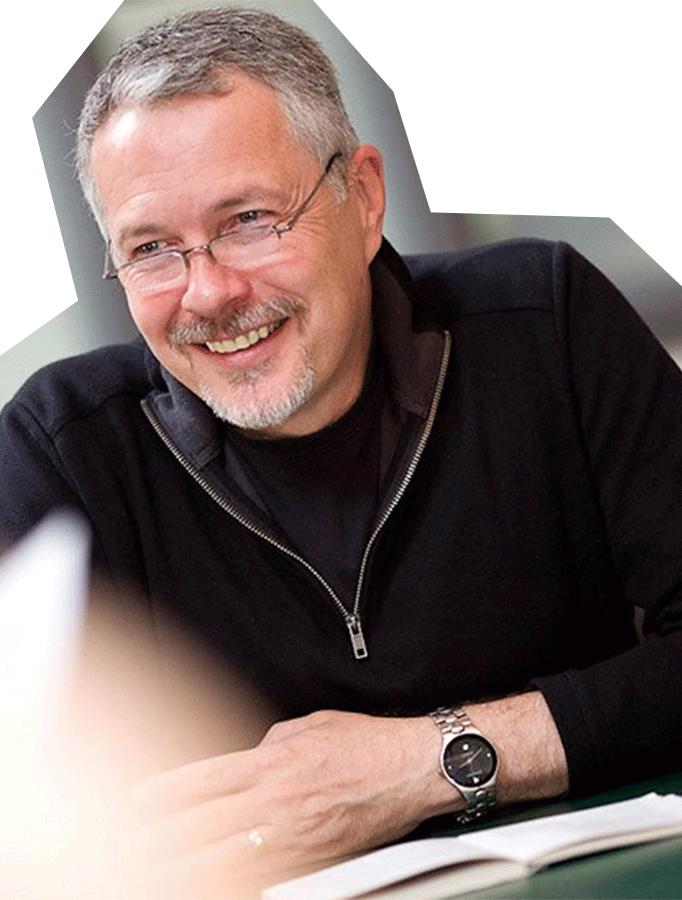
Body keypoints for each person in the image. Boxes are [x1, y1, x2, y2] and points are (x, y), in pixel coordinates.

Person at [1, 5, 682, 896]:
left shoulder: (543, 322)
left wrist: (430, 761)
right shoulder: (63, 454)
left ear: (362, 198)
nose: (207, 293)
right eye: (152, 249)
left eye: (249, 219)